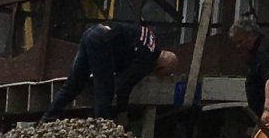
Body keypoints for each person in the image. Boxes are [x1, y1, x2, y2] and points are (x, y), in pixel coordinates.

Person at [41, 19, 181, 121]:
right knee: (105, 90)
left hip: (94, 32)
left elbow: (125, 33)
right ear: (160, 67)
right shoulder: (147, 61)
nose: (158, 76)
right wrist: (122, 113)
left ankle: (47, 120)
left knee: (74, 84)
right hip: (102, 42)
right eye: (163, 74)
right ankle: (102, 130)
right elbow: (123, 85)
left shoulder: (153, 39)